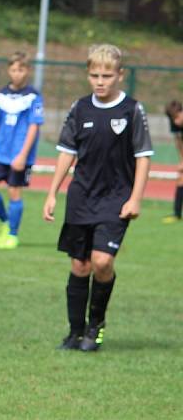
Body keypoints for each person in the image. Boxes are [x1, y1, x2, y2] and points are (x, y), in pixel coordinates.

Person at [43, 44, 152, 351]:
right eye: (94, 75)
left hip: (116, 199)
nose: (100, 81)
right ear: (87, 75)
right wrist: (52, 192)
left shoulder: (132, 110)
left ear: (120, 75)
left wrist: (136, 199)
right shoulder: (80, 108)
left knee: (102, 262)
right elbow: (67, 153)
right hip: (81, 197)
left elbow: (143, 157)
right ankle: (75, 332)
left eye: (107, 75)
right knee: (80, 265)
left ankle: (96, 326)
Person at [0, 51, 44, 249]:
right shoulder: (0, 96)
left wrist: (23, 155)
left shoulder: (33, 97)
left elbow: (34, 126)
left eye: (21, 69)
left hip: (18, 154)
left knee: (14, 192)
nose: (17, 73)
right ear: (9, 70)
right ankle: (6, 221)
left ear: (28, 71)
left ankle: (12, 235)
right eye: (14, 69)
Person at [162, 99, 183, 223]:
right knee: (181, 178)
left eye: (177, 117)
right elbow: (179, 142)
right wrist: (181, 160)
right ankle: (176, 214)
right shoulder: (174, 123)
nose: (176, 121)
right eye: (172, 118)